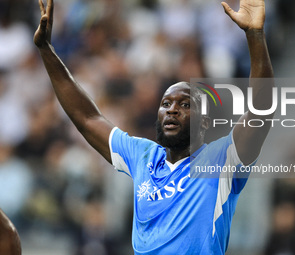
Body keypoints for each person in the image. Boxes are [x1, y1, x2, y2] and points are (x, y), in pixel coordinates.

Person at [34, 0, 274, 254]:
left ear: (204, 121)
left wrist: (255, 36)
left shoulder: (221, 160)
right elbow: (87, 118)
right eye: (166, 103)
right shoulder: (143, 156)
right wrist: (46, 50)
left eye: (184, 104)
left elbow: (262, 110)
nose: (172, 109)